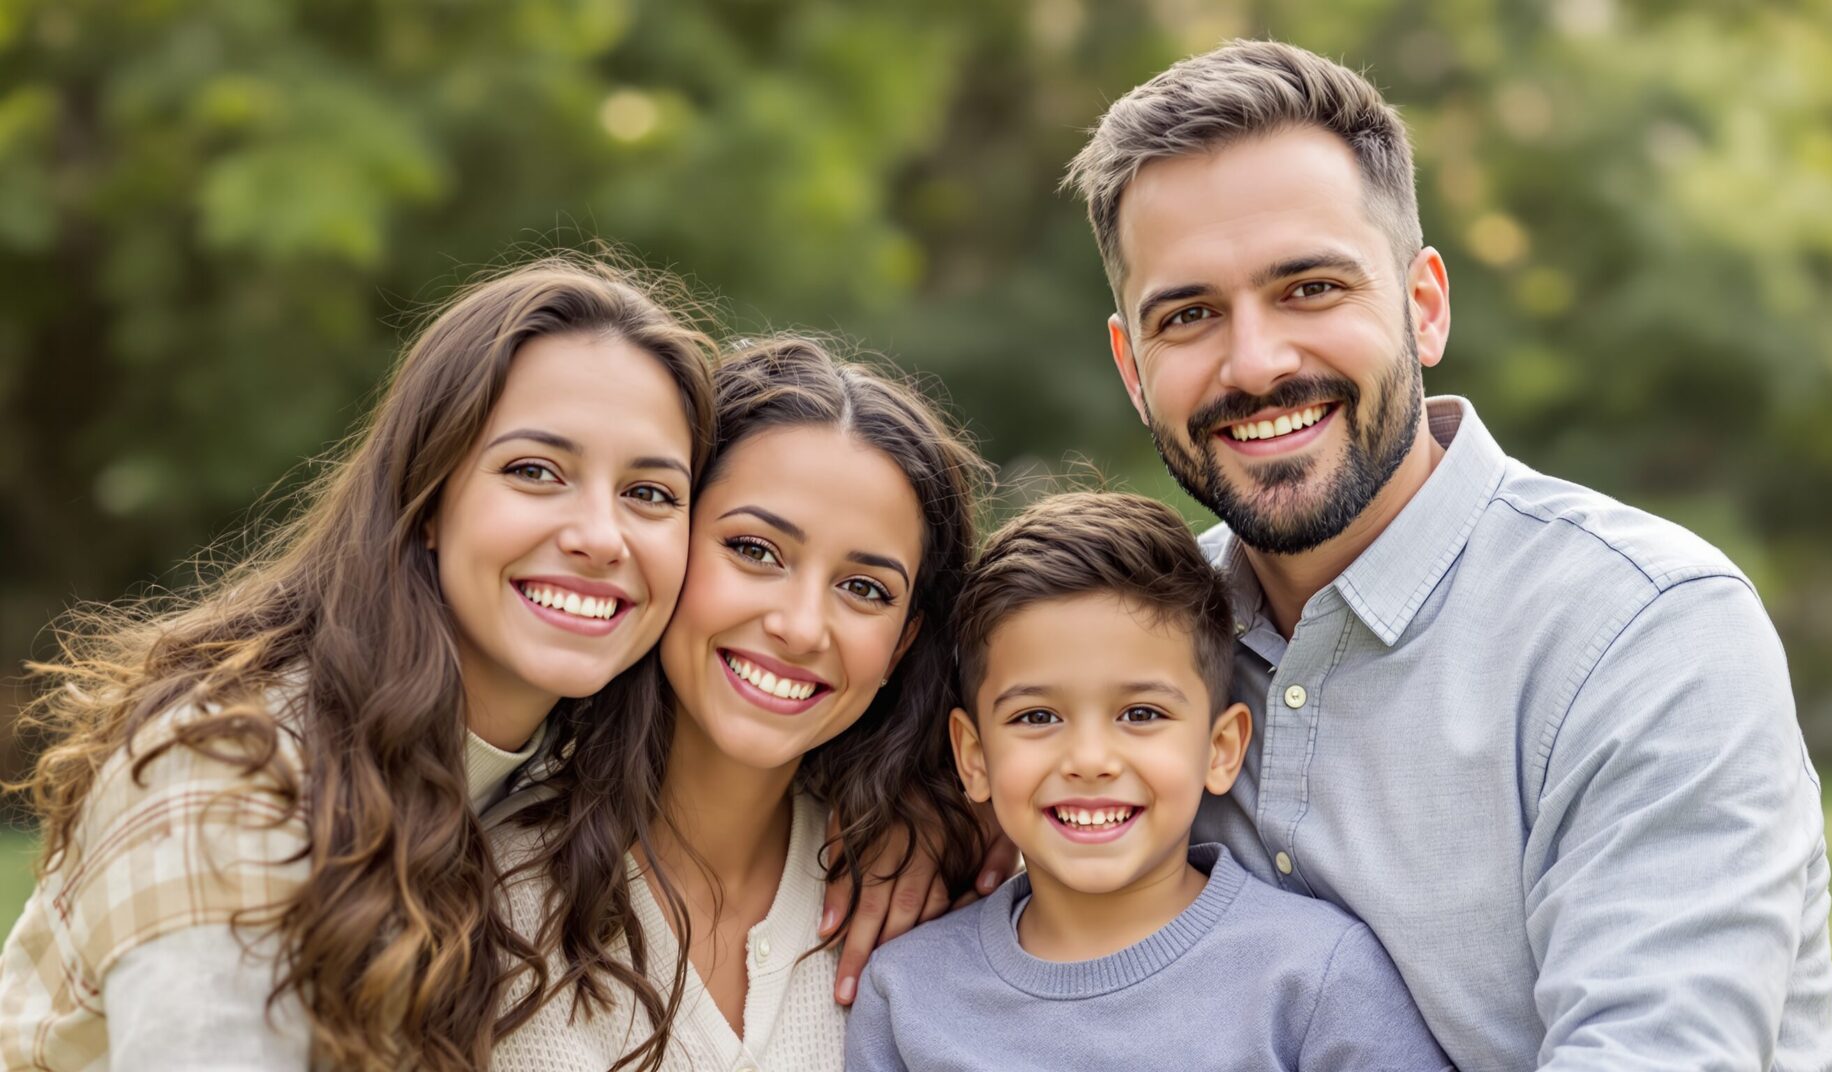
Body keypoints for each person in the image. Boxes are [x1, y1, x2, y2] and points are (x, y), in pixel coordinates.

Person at [1061, 39, 1832, 1070]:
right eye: (1191, 314)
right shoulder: (1124, 652)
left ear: (1424, 306)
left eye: (1309, 288)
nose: (1254, 362)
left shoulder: (1646, 632)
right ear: (1133, 366)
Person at [0, 255, 719, 1071]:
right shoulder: (227, 771)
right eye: (534, 471)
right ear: (429, 501)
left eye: (651, 493)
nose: (601, 534)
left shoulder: (568, 781)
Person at [487, 336, 987, 1071]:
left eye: (864, 589)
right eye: (755, 550)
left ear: (905, 643)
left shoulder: (932, 900)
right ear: (672, 539)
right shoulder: (479, 888)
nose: (800, 625)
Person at [844, 491, 1450, 1071]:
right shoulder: (906, 997)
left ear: (1221, 749)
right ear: (973, 757)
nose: (1089, 758)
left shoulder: (1317, 979)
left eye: (1141, 715)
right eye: (1037, 717)